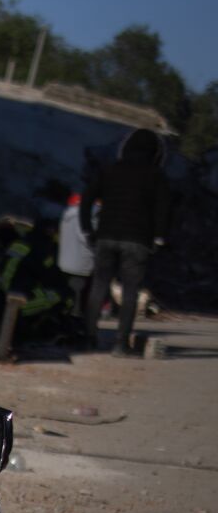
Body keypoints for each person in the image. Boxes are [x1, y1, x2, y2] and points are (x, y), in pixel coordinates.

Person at [82, 129, 174, 356]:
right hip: (138, 240)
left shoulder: (110, 170)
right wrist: (159, 237)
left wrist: (88, 229)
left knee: (99, 285)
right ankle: (120, 344)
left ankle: (88, 337)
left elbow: (87, 198)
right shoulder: (156, 175)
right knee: (130, 290)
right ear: (155, 153)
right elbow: (163, 209)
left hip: (106, 235)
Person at [56, 186, 95, 332]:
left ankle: (66, 323)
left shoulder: (66, 214)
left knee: (69, 296)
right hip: (80, 263)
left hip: (66, 261)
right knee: (77, 301)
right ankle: (74, 327)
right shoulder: (81, 216)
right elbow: (85, 237)